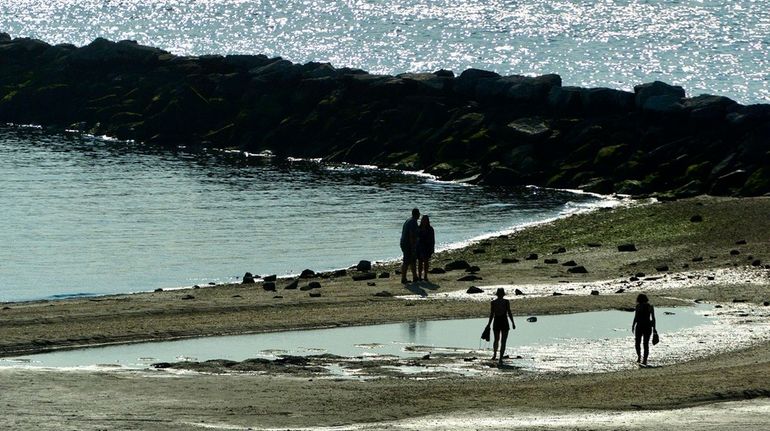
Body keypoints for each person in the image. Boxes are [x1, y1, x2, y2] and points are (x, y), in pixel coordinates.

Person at [486, 288, 515, 365]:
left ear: (497, 294)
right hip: (504, 321)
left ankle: (495, 355)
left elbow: (492, 314)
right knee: (503, 341)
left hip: (496, 321)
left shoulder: (493, 302)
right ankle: (500, 358)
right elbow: (509, 312)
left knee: (496, 339)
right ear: (503, 294)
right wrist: (513, 322)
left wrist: (489, 324)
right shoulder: (506, 302)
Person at [631, 293, 656, 365]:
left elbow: (636, 317)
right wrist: (654, 328)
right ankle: (644, 359)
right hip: (647, 326)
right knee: (646, 344)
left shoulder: (638, 306)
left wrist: (633, 325)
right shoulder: (650, 307)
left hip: (639, 326)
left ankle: (639, 357)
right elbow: (653, 318)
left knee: (637, 343)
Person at [399, 208, 420, 284]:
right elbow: (411, 234)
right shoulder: (413, 222)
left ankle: (415, 277)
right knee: (407, 261)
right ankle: (403, 278)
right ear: (417, 214)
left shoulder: (409, 220)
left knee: (413, 260)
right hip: (407, 244)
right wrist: (413, 246)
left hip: (404, 242)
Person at [416, 215, 435, 282]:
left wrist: (432, 248)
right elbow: (416, 238)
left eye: (426, 220)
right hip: (419, 247)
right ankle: (419, 276)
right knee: (420, 262)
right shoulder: (418, 228)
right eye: (423, 220)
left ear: (428, 221)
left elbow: (432, 240)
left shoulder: (430, 229)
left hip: (427, 247)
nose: (424, 221)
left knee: (426, 262)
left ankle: (425, 276)